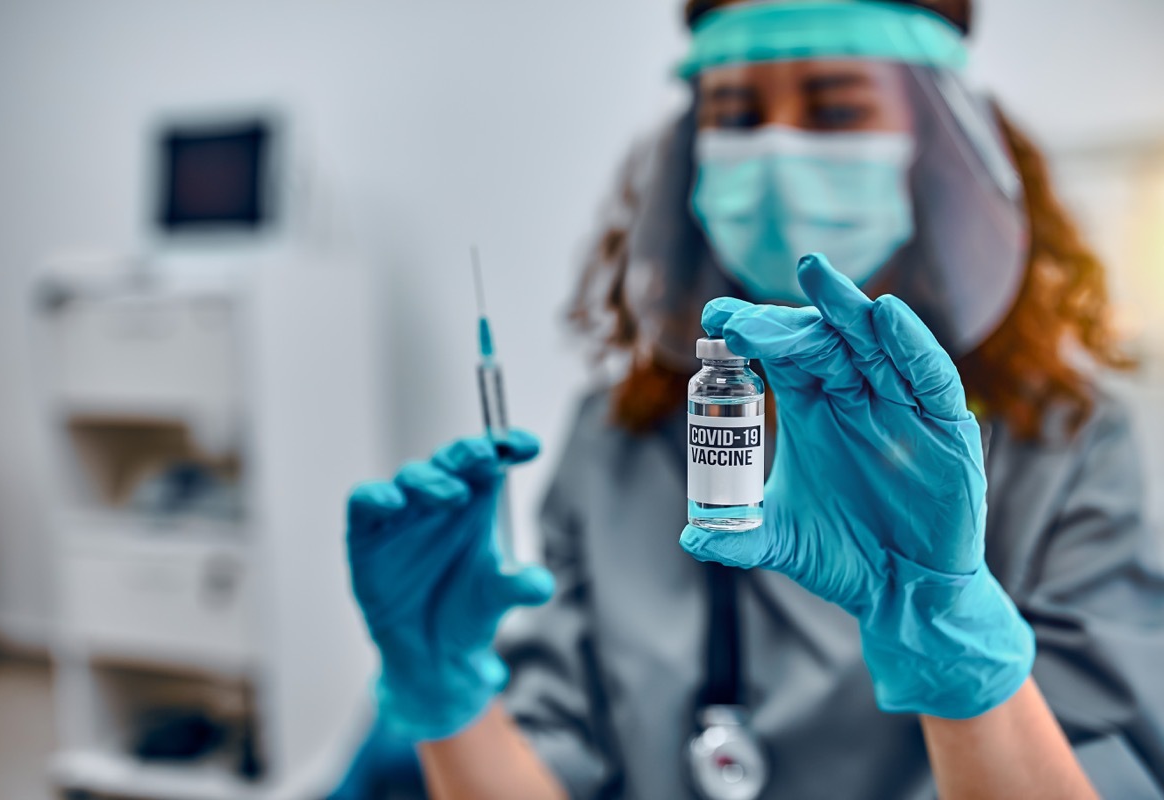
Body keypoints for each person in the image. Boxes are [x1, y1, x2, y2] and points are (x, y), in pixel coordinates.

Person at [339, 1, 1164, 798]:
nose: (772, 154)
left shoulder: (1063, 447)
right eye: (733, 115)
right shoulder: (619, 438)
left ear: (938, 147)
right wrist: (447, 696)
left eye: (835, 109)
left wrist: (957, 650)